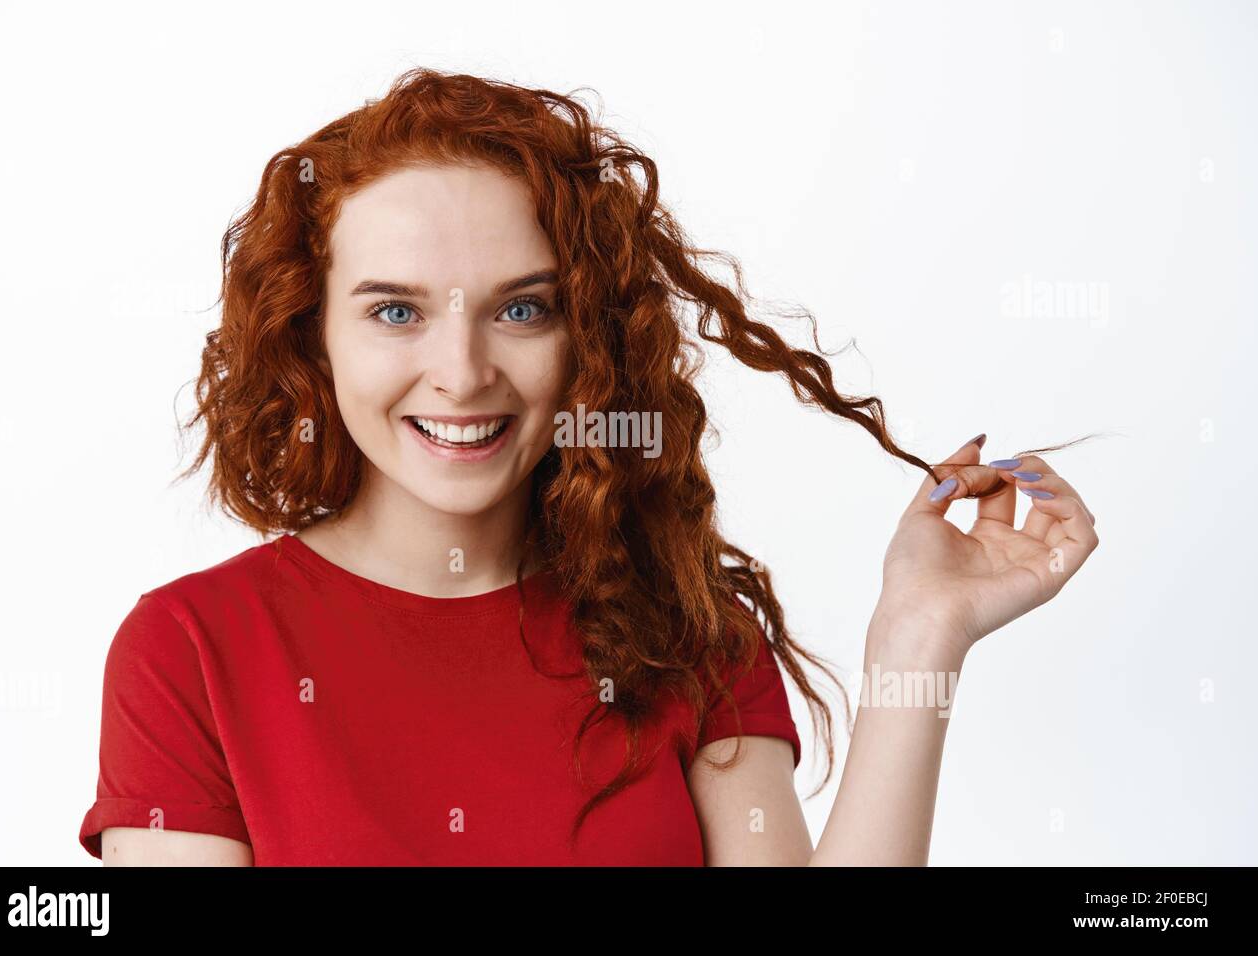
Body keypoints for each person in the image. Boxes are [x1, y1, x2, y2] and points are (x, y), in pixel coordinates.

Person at [79, 68, 1099, 866]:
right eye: (396, 309)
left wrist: (917, 639)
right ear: (313, 334)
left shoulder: (691, 636)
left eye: (521, 307)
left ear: (590, 339)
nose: (463, 370)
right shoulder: (191, 653)